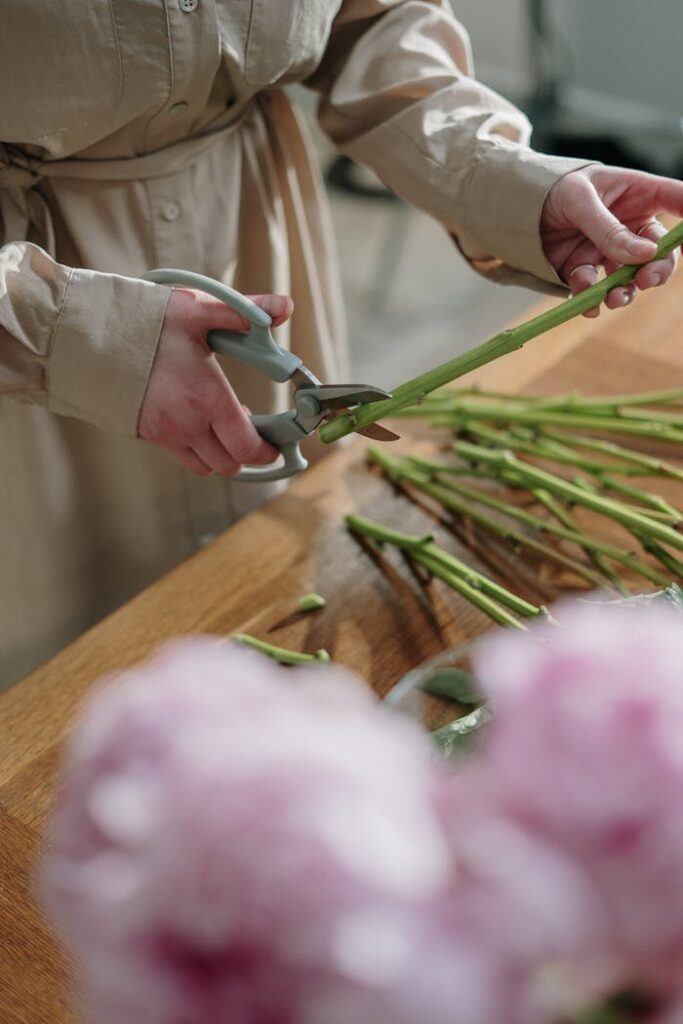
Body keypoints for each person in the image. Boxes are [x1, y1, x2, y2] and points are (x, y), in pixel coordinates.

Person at [1, 0, 681, 688]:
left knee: (268, 586)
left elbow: (374, 22)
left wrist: (507, 178)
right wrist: (75, 334)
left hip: (251, 227)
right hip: (21, 329)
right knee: (54, 684)